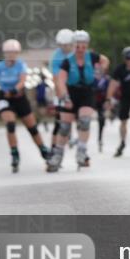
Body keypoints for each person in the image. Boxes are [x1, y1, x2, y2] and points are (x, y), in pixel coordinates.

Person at [0, 39, 52, 172]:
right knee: (10, 125)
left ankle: (44, 151)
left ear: (17, 53)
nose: (11, 56)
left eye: (14, 53)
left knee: (32, 128)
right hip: (4, 98)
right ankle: (15, 154)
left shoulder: (20, 65)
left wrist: (15, 90)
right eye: (8, 53)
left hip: (19, 97)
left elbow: (22, 80)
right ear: (4, 53)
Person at [49, 30, 110, 171]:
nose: (80, 49)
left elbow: (105, 60)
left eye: (83, 46)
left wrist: (101, 70)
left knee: (85, 121)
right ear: (73, 46)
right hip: (70, 93)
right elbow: (60, 81)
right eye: (78, 46)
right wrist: (65, 97)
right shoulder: (66, 61)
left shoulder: (92, 57)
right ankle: (57, 156)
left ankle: (81, 152)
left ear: (87, 45)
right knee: (64, 127)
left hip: (87, 93)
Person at [48, 29, 75, 161]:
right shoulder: (57, 57)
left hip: (77, 90)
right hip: (62, 90)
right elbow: (56, 79)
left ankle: (81, 148)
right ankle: (53, 152)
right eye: (62, 45)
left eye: (67, 45)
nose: (65, 48)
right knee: (60, 123)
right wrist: (62, 97)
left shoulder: (78, 53)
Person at [93, 67, 111, 153]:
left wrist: (108, 100)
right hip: (92, 101)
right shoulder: (91, 79)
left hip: (102, 101)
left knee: (101, 119)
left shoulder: (106, 79)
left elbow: (109, 91)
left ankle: (100, 138)